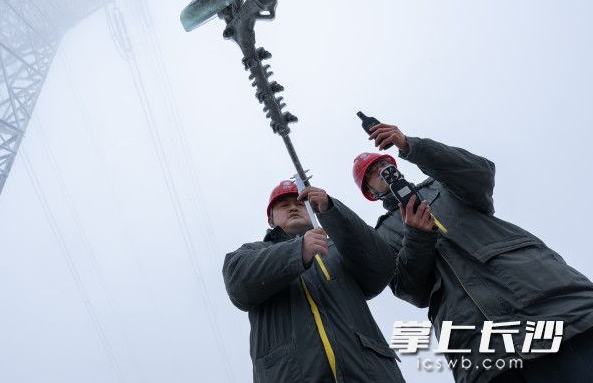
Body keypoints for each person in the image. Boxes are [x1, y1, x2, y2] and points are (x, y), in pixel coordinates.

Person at [356, 122, 593, 383]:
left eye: (381, 164)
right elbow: (409, 289)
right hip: (486, 353)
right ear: (371, 193)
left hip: (559, 310)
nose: (380, 170)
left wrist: (411, 145)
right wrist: (417, 236)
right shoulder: (382, 235)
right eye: (372, 174)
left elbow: (481, 173)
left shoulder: (442, 183)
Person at [222, 180, 405, 382]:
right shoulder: (251, 253)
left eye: (300, 203)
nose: (293, 207)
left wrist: (332, 210)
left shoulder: (341, 248)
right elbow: (238, 285)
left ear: (312, 209)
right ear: (271, 219)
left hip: (370, 375)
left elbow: (383, 267)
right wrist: (298, 250)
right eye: (283, 205)